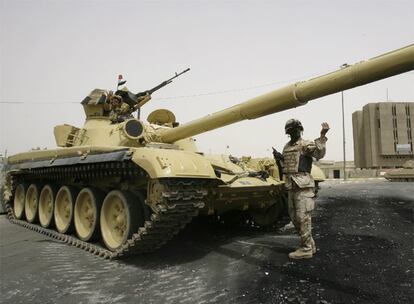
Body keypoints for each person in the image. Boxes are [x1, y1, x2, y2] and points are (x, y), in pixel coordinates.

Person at [274, 119, 329, 259]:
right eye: (291, 130)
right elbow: (286, 166)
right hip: (291, 185)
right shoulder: (286, 146)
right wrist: (280, 159)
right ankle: (310, 245)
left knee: (303, 217)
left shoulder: (306, 144)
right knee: (294, 217)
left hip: (303, 185)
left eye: (296, 129)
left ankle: (306, 249)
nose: (294, 131)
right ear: (288, 132)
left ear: (300, 129)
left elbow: (318, 154)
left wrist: (322, 136)